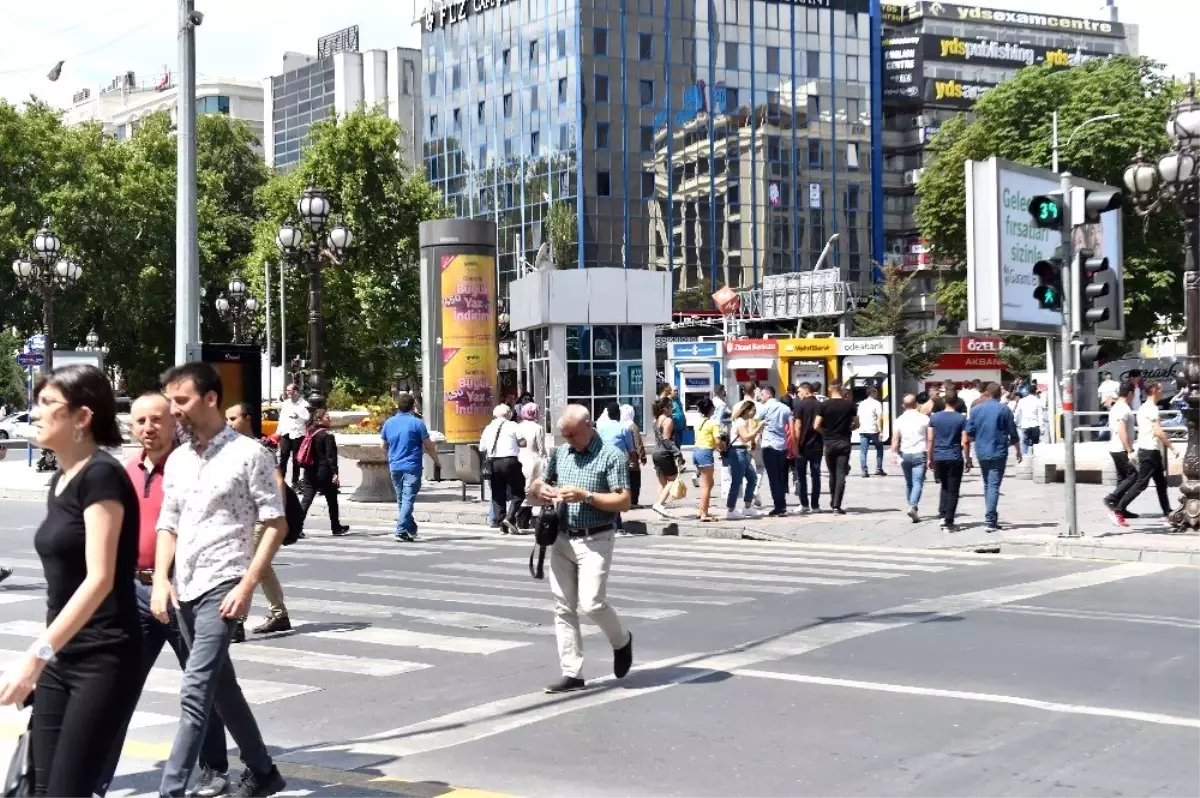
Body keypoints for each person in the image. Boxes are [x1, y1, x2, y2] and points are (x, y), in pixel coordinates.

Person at [0, 365, 142, 797]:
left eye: (47, 403)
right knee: (39, 787)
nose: (35, 413)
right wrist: (48, 654)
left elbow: (99, 580)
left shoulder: (102, 476)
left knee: (67, 790)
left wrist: (36, 656)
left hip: (105, 658)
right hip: (63, 656)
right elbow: (61, 587)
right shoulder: (60, 480)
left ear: (82, 417)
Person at [153, 362, 288, 798]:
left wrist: (248, 585)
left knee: (195, 690)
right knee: (221, 689)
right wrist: (160, 579)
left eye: (181, 401)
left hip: (225, 582)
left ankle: (170, 790)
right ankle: (264, 772)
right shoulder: (177, 459)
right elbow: (167, 524)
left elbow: (275, 522)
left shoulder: (250, 454)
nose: (174, 411)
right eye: (170, 401)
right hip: (186, 585)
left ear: (210, 398)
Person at [97, 393, 231, 798]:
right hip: (137, 591)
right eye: (140, 421)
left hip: (186, 592)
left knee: (202, 685)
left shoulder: (192, 467)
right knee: (119, 686)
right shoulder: (127, 471)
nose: (148, 428)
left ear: (174, 422)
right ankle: (97, 778)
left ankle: (213, 768)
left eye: (157, 419)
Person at [528, 405, 634, 694]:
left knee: (592, 603)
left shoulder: (611, 455)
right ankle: (572, 672)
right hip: (562, 537)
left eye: (572, 435)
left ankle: (622, 641)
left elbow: (624, 501)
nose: (569, 441)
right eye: (565, 436)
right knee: (563, 606)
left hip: (596, 538)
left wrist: (585, 496)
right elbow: (539, 483)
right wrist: (542, 490)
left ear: (588, 426)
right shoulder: (562, 453)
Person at [225, 403, 294, 637]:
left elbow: (278, 480)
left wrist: (278, 514)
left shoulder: (261, 446)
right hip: (240, 517)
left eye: (233, 418)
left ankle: (237, 622)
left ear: (248, 418)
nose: (229, 423)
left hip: (261, 517)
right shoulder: (229, 447)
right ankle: (279, 615)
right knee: (261, 566)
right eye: (227, 419)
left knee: (247, 564)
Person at [1114, 381, 1178, 524]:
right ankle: (1118, 508)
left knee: (1161, 483)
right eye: (1161, 389)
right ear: (1155, 391)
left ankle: (1167, 512)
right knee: (1141, 483)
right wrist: (1172, 448)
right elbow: (1158, 432)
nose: (1162, 392)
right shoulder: (1152, 409)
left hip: (1148, 449)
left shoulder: (1143, 408)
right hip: (1150, 450)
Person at [381, 393, 439, 542]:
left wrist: (393, 455)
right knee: (407, 499)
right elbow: (428, 445)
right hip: (412, 466)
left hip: (395, 466)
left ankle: (411, 528)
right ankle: (400, 531)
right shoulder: (417, 423)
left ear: (398, 406)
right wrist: (436, 460)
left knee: (402, 499)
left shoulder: (389, 423)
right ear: (413, 407)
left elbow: (383, 446)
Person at [965, 383, 1022, 532]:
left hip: (981, 451)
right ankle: (990, 520)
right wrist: (1018, 451)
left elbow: (969, 432)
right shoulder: (1004, 409)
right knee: (994, 485)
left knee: (987, 484)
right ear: (999, 394)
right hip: (998, 450)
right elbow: (1013, 432)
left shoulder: (976, 410)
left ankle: (991, 516)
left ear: (986, 393)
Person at [293, 407, 348, 537]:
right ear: (319, 419)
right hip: (325, 472)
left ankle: (296, 528)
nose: (329, 418)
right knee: (332, 500)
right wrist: (335, 473)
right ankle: (336, 527)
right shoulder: (327, 436)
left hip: (309, 471)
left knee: (306, 500)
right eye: (327, 416)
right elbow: (331, 457)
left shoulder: (309, 433)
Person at [479, 404, 526, 535]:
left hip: (494, 463)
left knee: (497, 494)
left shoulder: (488, 428)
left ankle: (502, 524)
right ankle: (509, 518)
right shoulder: (513, 425)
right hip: (510, 461)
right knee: (519, 492)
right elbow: (523, 442)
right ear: (508, 414)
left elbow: (482, 448)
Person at [927, 397, 968, 532]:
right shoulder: (961, 419)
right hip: (955, 456)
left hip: (939, 455)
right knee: (953, 490)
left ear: (945, 402)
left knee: (944, 486)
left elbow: (930, 439)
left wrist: (930, 458)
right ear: (956, 403)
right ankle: (948, 521)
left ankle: (942, 513)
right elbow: (965, 441)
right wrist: (968, 459)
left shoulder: (934, 418)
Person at [1103, 382, 1141, 526]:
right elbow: (1122, 430)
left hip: (1115, 447)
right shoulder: (1123, 409)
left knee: (1122, 478)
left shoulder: (1115, 407)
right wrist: (1129, 450)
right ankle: (1111, 499)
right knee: (1134, 476)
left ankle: (1121, 509)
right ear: (1130, 393)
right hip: (1121, 448)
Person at [814, 384, 855, 515]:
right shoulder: (849, 405)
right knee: (841, 473)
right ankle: (837, 505)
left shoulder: (824, 405)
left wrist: (825, 433)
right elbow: (856, 423)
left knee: (832, 473)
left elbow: (816, 425)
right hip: (844, 442)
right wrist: (849, 429)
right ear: (841, 390)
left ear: (831, 389)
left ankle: (833, 503)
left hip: (829, 443)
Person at [891, 394, 930, 523]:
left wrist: (894, 455)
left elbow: (895, 441)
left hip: (905, 454)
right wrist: (930, 455)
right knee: (918, 482)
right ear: (916, 405)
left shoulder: (899, 419)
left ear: (903, 406)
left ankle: (911, 506)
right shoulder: (924, 418)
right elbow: (930, 438)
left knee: (909, 483)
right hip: (920, 453)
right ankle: (913, 506)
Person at [755, 387, 793, 517]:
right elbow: (791, 428)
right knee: (782, 476)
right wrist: (792, 445)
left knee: (773, 477)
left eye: (762, 394)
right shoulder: (785, 408)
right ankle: (782, 505)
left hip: (768, 445)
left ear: (768, 394)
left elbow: (756, 421)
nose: (761, 397)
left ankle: (778, 506)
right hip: (782, 445)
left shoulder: (763, 408)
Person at [725, 399, 760, 519]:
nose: (754, 413)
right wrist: (759, 427)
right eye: (753, 410)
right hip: (737, 452)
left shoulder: (743, 421)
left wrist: (753, 441)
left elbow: (746, 438)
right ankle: (731, 509)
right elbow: (745, 437)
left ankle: (747, 507)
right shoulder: (740, 422)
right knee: (737, 481)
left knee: (752, 477)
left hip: (743, 451)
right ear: (747, 410)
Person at [650, 397, 686, 516]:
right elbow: (666, 440)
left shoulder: (656, 420)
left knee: (662, 482)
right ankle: (659, 504)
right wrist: (677, 453)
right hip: (664, 453)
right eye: (671, 407)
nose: (673, 410)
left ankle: (659, 510)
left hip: (655, 453)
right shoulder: (668, 421)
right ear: (665, 409)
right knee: (673, 479)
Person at [516, 403, 548, 530]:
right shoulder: (538, 428)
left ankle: (521, 519)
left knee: (523, 490)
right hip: (534, 461)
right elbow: (541, 448)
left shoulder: (518, 427)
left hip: (520, 460)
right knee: (535, 491)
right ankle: (536, 520)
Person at [792, 382, 823, 513]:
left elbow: (797, 426)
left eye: (799, 391)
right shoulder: (820, 405)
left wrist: (795, 444)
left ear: (806, 390)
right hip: (817, 444)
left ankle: (804, 504)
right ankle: (815, 505)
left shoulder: (800, 405)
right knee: (816, 475)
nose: (798, 394)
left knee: (801, 475)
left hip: (803, 445)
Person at [691, 397, 720, 522]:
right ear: (711, 409)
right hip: (705, 452)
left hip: (696, 451)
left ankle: (701, 510)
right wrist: (722, 448)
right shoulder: (713, 423)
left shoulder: (698, 423)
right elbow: (717, 440)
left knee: (709, 483)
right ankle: (704, 513)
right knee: (706, 485)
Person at [275, 383, 309, 485]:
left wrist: (298, 416)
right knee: (283, 458)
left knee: (296, 460)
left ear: (295, 391)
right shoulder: (286, 403)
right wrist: (278, 432)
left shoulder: (304, 404)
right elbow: (281, 419)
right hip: (286, 433)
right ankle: (280, 481)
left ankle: (295, 482)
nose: (287, 393)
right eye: (287, 390)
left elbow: (308, 418)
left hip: (298, 434)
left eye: (289, 390)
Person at [620, 404, 646, 508]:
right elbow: (638, 442)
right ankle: (633, 501)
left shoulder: (620, 425)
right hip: (632, 457)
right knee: (635, 479)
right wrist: (642, 456)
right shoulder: (632, 426)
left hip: (621, 456)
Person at [856, 386, 886, 477]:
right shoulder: (877, 403)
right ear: (872, 393)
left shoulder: (861, 404)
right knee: (879, 449)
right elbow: (879, 417)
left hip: (863, 430)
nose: (877, 394)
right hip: (874, 430)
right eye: (876, 392)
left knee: (863, 451)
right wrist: (880, 431)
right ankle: (879, 469)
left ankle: (864, 471)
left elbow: (858, 416)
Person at [1014, 386, 1045, 453]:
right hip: (1035, 424)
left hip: (1024, 424)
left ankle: (1025, 457)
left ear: (1028, 391)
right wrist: (1042, 428)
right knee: (1035, 444)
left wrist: (1017, 423)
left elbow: (1017, 413)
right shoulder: (1038, 401)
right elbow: (1040, 415)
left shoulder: (1022, 401)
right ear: (1035, 391)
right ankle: (1034, 458)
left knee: (1025, 443)